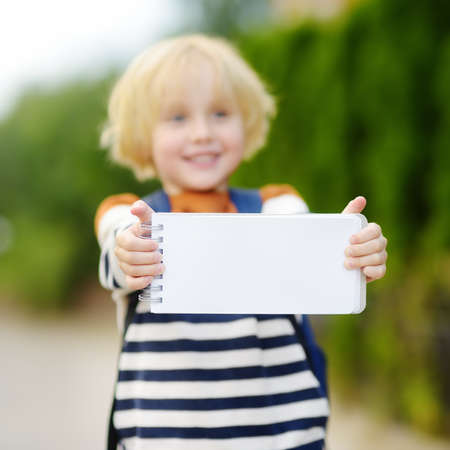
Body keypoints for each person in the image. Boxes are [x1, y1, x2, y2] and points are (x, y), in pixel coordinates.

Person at [95, 33, 388, 450]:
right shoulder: (131, 214)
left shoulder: (278, 206)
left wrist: (353, 252)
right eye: (177, 118)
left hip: (282, 436)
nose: (202, 133)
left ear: (245, 121)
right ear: (143, 135)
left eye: (220, 113)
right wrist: (131, 252)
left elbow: (314, 258)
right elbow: (117, 253)